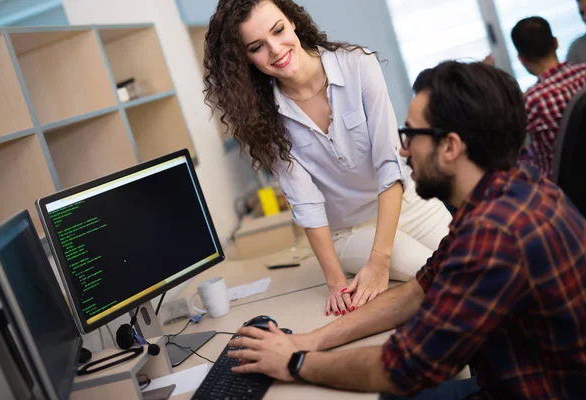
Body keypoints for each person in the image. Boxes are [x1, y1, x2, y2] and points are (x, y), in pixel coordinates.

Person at [225, 61, 586, 399]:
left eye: (411, 134)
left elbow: (398, 368)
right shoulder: (506, 191)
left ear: (449, 147)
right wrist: (308, 341)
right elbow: (417, 293)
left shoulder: (494, 234)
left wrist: (294, 363)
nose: (402, 148)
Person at [203, 0, 451, 316]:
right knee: (439, 278)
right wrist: (335, 282)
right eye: (257, 47)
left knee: (475, 262)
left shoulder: (358, 65)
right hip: (350, 232)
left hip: (409, 206)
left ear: (292, 21)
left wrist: (380, 261)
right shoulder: (263, 117)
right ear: (246, 58)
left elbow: (390, 166)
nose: (276, 49)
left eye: (278, 30)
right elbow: (306, 204)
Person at [511, 16, 586, 178]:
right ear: (556, 42)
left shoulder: (532, 101)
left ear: (521, 59)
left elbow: (509, 148)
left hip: (564, 192)